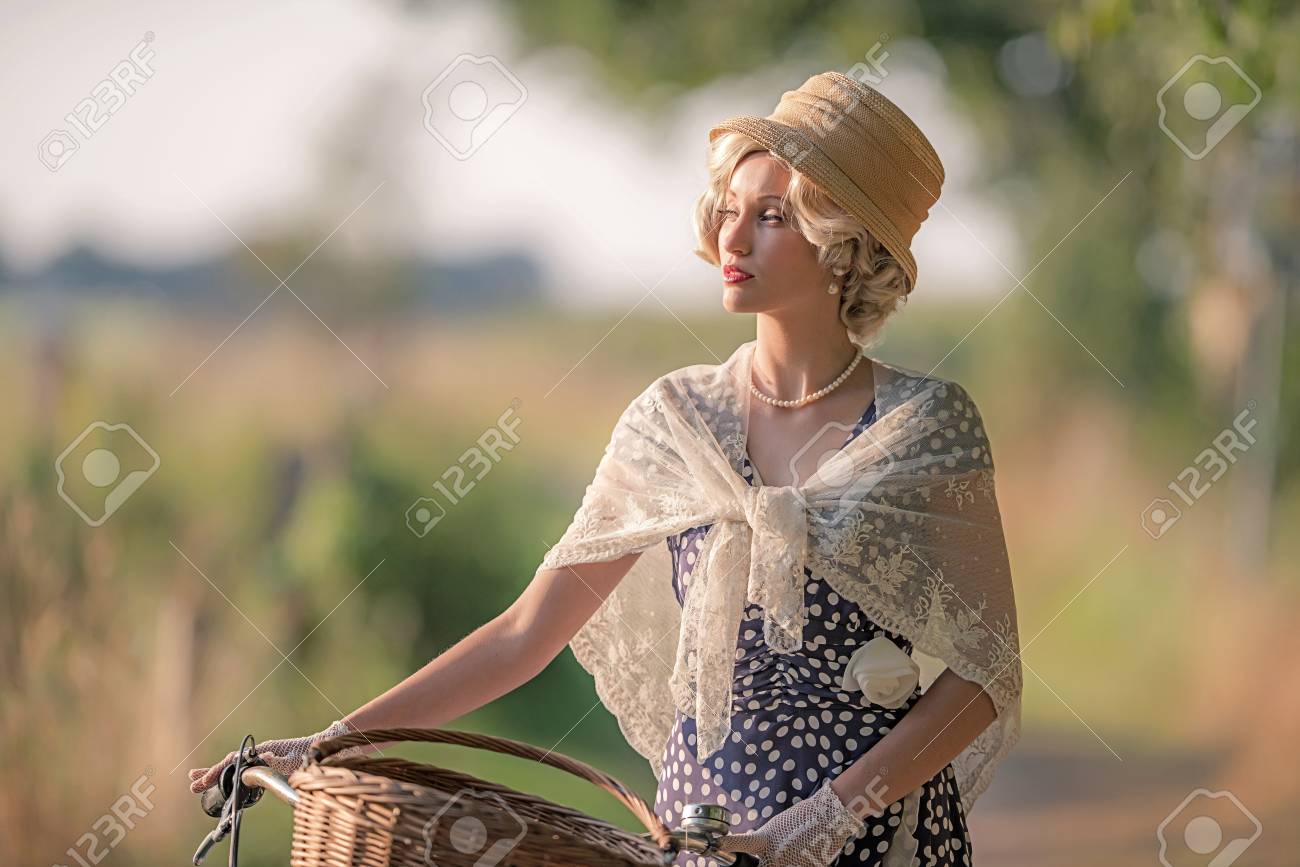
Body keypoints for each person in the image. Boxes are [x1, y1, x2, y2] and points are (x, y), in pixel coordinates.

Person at [190, 71, 1021, 867]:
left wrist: (823, 822)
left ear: (840, 245)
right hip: (704, 832)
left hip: (876, 836)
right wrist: (334, 741)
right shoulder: (678, 419)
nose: (731, 238)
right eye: (730, 209)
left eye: (771, 216)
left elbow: (985, 671)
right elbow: (525, 632)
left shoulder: (925, 426)